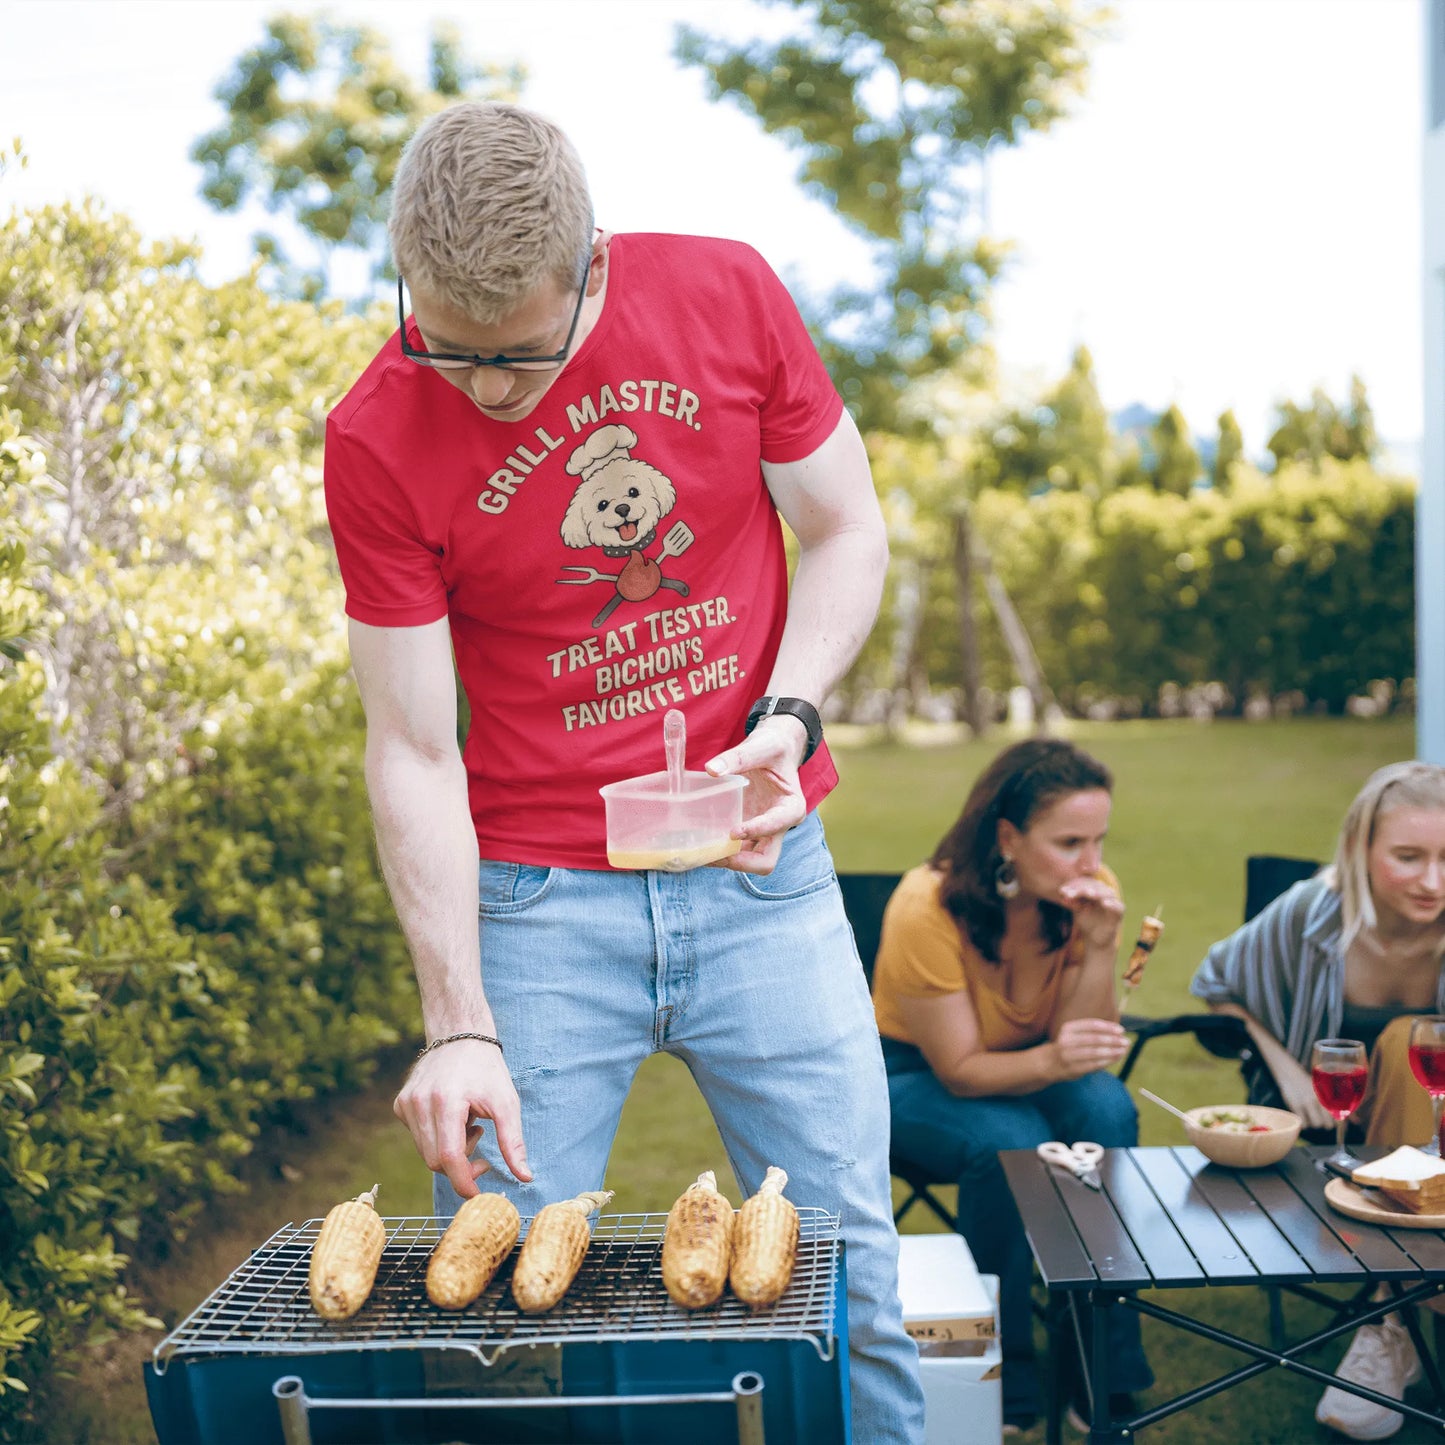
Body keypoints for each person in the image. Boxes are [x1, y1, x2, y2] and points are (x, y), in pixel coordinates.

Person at [322, 100, 924, 1442]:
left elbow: (844, 526)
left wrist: (788, 715)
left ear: (591, 263)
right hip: (537, 909)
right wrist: (457, 1020)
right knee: (490, 1321)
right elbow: (413, 745)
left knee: (849, 1281)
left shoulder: (725, 295)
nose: (483, 390)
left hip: (760, 877)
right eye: (447, 347)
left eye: (519, 356)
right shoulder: (373, 434)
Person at [871, 736, 1154, 1434]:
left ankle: (1101, 1361)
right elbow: (961, 1069)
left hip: (1034, 1060)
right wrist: (1053, 1061)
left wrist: (1098, 945)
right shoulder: (925, 905)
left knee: (1106, 1109)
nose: (1091, 863)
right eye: (1069, 843)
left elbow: (1082, 1049)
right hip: (912, 1072)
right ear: (1007, 838)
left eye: (1098, 840)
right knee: (1009, 1140)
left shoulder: (1089, 895)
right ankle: (1002, 1370)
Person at [1191, 760, 1445, 1442]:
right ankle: (1396, 1315)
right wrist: (1287, 1066)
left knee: (1409, 1039)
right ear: (1360, 849)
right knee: (1408, 1038)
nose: (1432, 881)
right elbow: (1215, 983)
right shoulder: (1311, 913)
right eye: (1408, 856)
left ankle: (1393, 1314)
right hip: (1333, 1135)